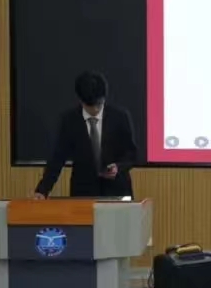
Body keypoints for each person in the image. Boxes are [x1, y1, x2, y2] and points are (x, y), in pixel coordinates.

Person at [34, 71, 138, 199]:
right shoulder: (69, 121)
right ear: (80, 100)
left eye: (99, 104)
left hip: (117, 191)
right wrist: (43, 190)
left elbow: (132, 154)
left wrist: (119, 167)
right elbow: (57, 158)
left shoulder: (120, 117)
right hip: (83, 193)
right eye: (90, 106)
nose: (95, 110)